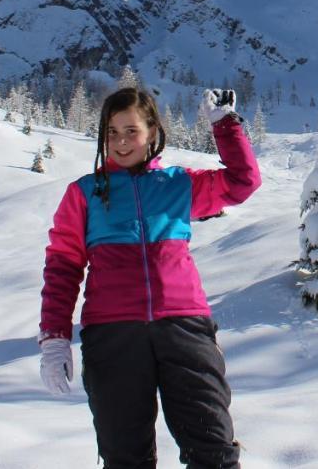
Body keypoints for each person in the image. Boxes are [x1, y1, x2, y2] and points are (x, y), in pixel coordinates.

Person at [38, 86, 261, 469]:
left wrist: (225, 126)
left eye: (131, 131)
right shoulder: (86, 193)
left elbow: (242, 182)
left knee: (213, 453)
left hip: (184, 328)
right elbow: (63, 266)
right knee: (126, 460)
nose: (121, 142)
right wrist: (54, 338)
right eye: (112, 132)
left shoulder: (178, 184)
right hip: (113, 337)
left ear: (153, 132)